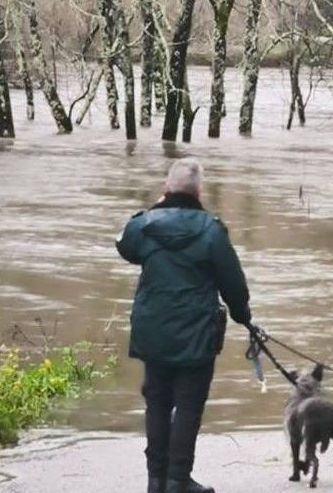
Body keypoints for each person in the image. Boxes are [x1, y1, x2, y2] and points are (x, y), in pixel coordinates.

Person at [116, 158, 252, 493]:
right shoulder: (211, 231)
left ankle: (155, 481)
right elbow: (233, 284)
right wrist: (243, 316)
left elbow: (125, 247)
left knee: (158, 402)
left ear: (166, 188)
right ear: (199, 191)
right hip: (196, 335)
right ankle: (177, 481)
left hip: (153, 332)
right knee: (188, 406)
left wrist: (155, 208)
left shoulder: (145, 225)